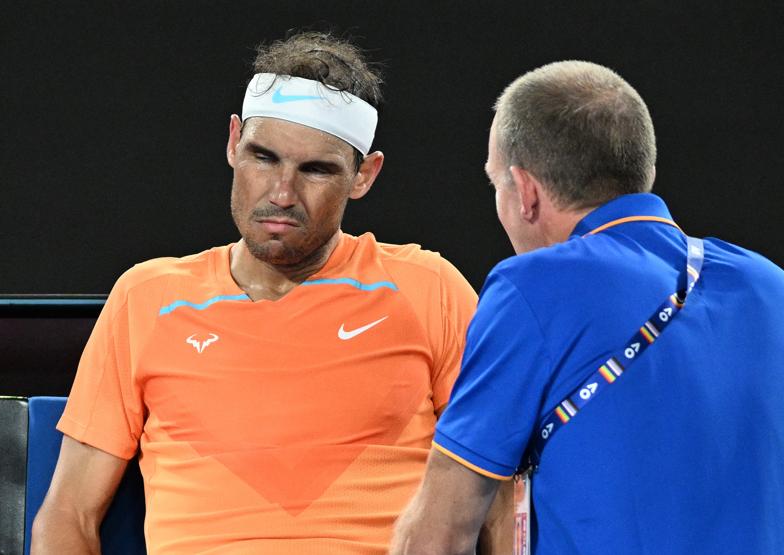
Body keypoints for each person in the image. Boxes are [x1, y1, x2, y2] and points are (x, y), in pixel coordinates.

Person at [31, 32, 491, 554]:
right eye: (264, 157)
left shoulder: (429, 288)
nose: (282, 193)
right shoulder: (147, 297)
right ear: (233, 143)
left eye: (315, 170)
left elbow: (499, 485)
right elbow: (68, 514)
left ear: (363, 175)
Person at [390, 61, 784, 554]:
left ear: (526, 192)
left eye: (497, 185)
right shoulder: (775, 289)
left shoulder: (533, 288)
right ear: (646, 172)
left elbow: (439, 537)